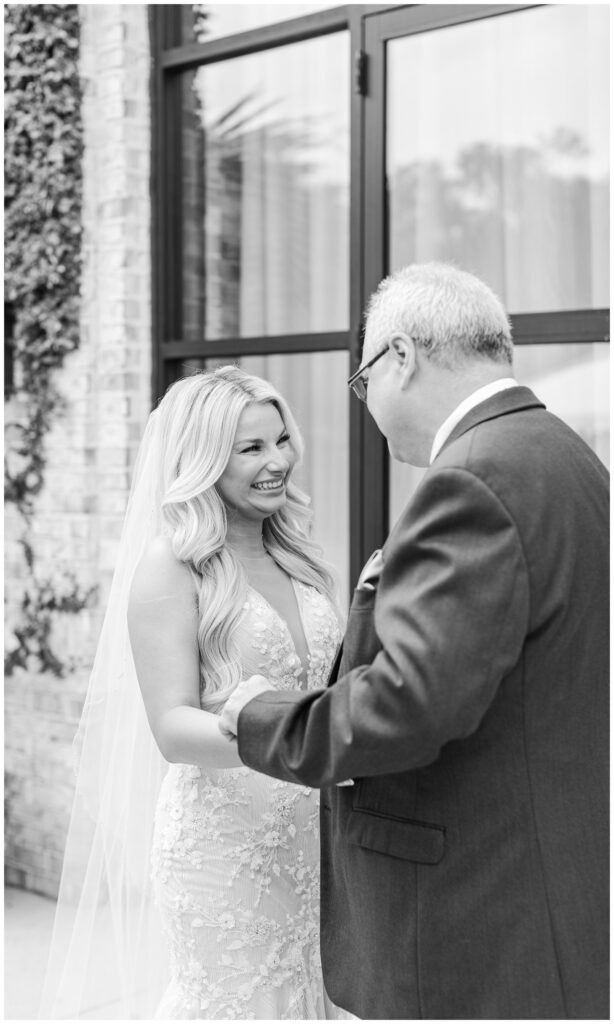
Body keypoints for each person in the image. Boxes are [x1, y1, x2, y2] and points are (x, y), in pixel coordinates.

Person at [220, 263, 610, 1020]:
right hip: (555, 884)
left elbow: (406, 704)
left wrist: (259, 716)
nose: (368, 406)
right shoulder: (566, 455)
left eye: (363, 381)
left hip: (474, 916)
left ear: (400, 356)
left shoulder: (470, 478)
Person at [40, 366, 351, 1020]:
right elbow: (172, 728)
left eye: (281, 441)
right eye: (251, 448)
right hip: (224, 851)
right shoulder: (170, 567)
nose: (278, 463)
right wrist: (290, 741)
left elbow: (328, 689)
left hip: (315, 838)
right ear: (206, 459)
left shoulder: (299, 555)